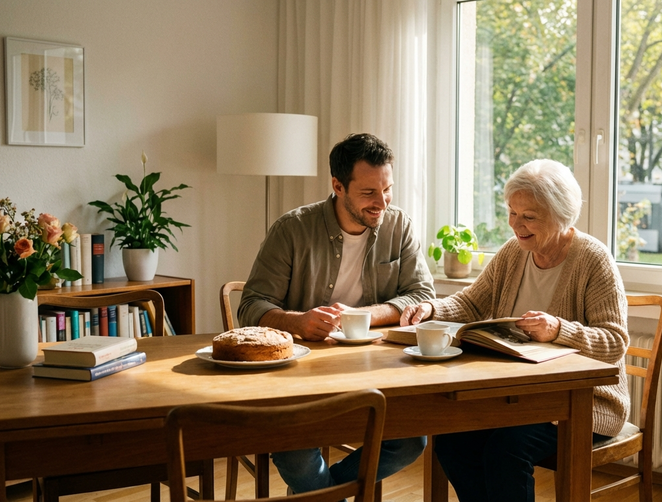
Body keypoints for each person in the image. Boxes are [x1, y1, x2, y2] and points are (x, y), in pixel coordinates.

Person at [400, 159, 630, 502]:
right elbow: (472, 302)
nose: (516, 225)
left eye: (529, 216)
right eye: (512, 212)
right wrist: (432, 308)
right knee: (451, 440)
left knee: (506, 450)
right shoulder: (513, 252)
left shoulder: (593, 259)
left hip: (581, 405)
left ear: (561, 214)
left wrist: (559, 330)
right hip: (516, 396)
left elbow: (614, 342)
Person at [238, 132, 435, 496]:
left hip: (375, 373)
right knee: (298, 456)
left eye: (388, 189)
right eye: (369, 193)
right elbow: (251, 306)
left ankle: (318, 495)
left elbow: (422, 295)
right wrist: (296, 322)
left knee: (412, 440)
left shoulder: (398, 226)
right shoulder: (292, 229)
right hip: (298, 379)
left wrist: (364, 315)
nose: (382, 202)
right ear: (338, 186)